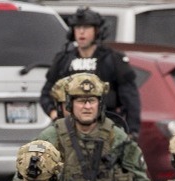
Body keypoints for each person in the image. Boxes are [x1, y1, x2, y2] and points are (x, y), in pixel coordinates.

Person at [39, 6, 141, 135]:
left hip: (106, 129)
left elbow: (131, 100)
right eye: (77, 27)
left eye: (86, 27)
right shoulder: (64, 60)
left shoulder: (113, 60)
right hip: (70, 131)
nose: (81, 32)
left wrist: (132, 132)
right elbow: (46, 94)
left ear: (97, 31)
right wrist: (55, 115)